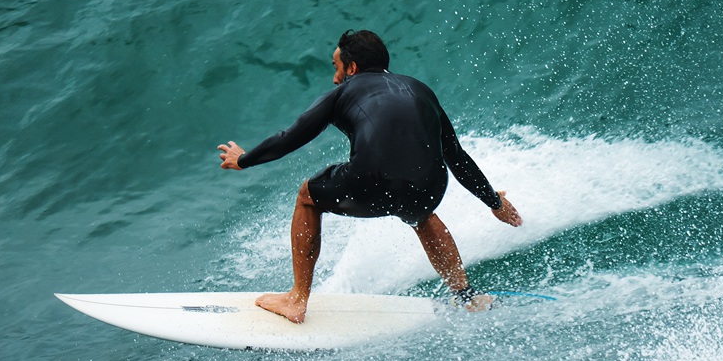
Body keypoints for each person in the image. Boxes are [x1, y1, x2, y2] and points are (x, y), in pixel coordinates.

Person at [218, 30, 522, 323]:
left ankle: (296, 299)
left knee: (307, 197)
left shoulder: (342, 92)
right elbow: (456, 156)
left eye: (337, 67)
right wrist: (494, 202)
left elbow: (291, 136)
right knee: (422, 214)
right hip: (430, 187)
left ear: (352, 67)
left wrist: (244, 160)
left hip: (370, 182)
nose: (335, 76)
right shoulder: (420, 89)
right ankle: (467, 297)